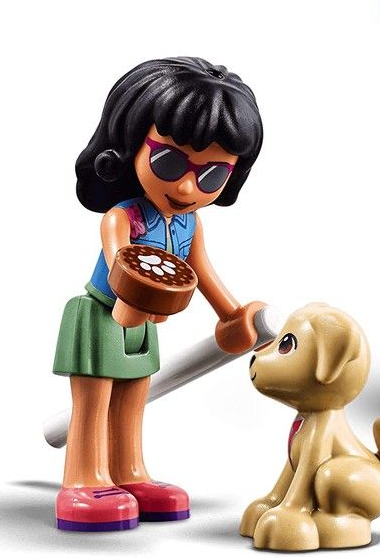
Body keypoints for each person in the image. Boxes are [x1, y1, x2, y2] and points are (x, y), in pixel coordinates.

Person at [53, 57, 265, 530]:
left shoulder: (190, 223)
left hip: (144, 322)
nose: (188, 187)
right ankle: (83, 479)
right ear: (129, 147)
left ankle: (129, 472)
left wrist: (232, 316)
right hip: (100, 315)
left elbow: (202, 271)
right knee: (94, 403)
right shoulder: (123, 216)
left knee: (132, 401)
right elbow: (120, 263)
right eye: (169, 161)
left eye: (212, 175)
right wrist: (133, 301)